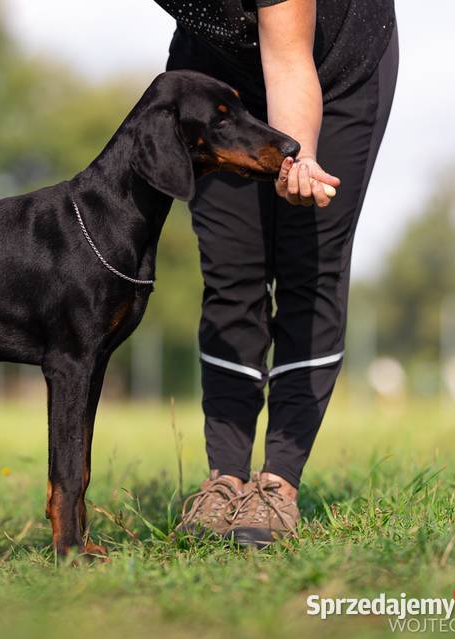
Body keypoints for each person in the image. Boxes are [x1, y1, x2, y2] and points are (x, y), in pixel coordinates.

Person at [154, 0, 398, 546]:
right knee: (229, 270)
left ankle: (278, 482)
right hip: (217, 70)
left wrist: (298, 156)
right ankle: (225, 480)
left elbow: (288, 60)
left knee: (308, 265)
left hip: (334, 69)